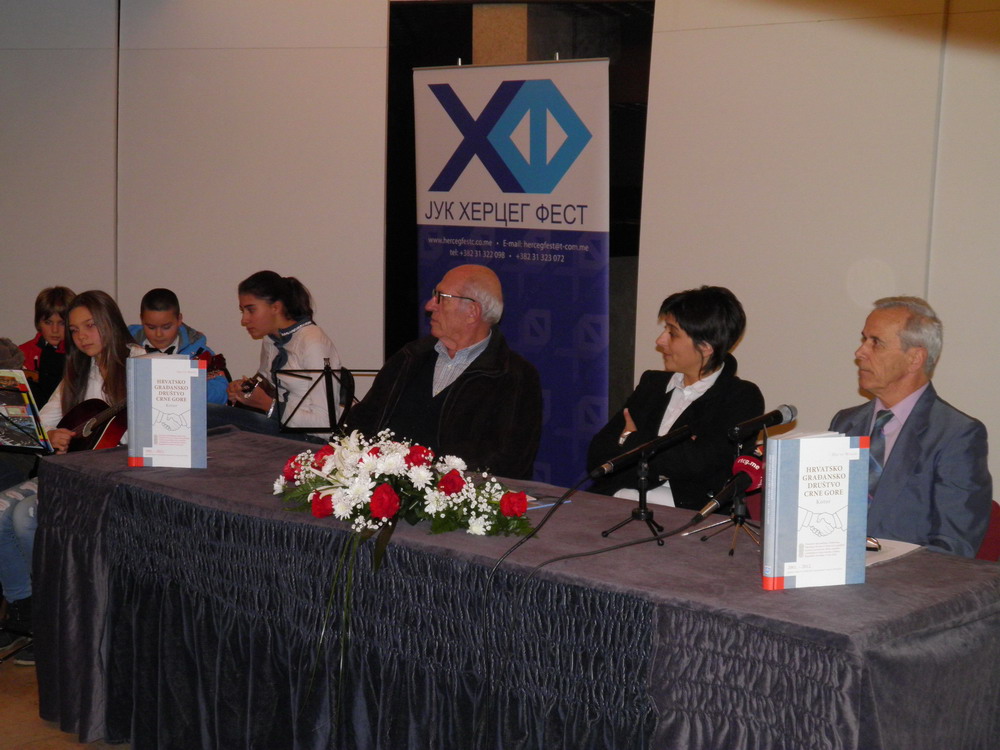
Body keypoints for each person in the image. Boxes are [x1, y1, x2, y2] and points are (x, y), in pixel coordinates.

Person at [0, 290, 143, 665]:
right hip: (74, 473)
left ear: (109, 322)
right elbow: (43, 424)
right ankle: (23, 608)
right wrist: (54, 435)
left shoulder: (143, 365)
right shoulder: (80, 370)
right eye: (75, 329)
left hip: (114, 482)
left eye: (90, 326)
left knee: (24, 517)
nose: (81, 336)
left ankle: (53, 616)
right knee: (0, 511)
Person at [344, 264, 542, 480]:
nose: (429, 305)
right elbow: (361, 422)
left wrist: (431, 478)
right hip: (379, 488)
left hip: (454, 496)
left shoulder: (514, 377)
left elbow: (509, 463)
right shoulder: (409, 358)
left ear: (472, 312)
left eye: (441, 298)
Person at [829, 296, 992, 558]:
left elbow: (953, 548)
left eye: (876, 342)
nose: (860, 352)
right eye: (864, 339)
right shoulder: (845, 422)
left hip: (906, 580)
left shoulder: (957, 434)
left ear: (915, 358)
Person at [587, 286, 765, 511]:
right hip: (617, 500)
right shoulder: (652, 383)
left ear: (705, 347)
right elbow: (597, 456)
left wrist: (628, 438)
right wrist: (668, 457)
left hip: (687, 515)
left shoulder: (741, 397)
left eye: (672, 333)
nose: (660, 340)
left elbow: (698, 466)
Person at [211, 271, 341, 438]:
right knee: (205, 414)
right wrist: (243, 390)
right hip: (277, 426)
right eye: (242, 311)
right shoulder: (270, 339)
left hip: (309, 438)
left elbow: (325, 425)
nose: (244, 320)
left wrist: (267, 404)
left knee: (207, 415)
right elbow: (265, 385)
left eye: (251, 310)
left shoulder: (313, 343)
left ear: (276, 307)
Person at [127, 288, 228, 405]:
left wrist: (189, 388)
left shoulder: (199, 352)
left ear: (179, 319)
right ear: (141, 319)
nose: (158, 334)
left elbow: (222, 395)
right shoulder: (124, 347)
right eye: (151, 327)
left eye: (166, 327)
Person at [19, 286, 75, 409]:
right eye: (48, 322)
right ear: (38, 323)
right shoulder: (22, 354)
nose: (54, 330)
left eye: (62, 323)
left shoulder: (79, 354)